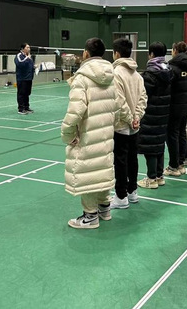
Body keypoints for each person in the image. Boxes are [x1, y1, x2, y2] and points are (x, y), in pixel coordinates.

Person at [61, 38, 117, 229]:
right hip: (106, 134)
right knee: (102, 170)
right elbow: (118, 106)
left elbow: (75, 112)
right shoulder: (112, 75)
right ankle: (104, 209)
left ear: (86, 53)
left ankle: (90, 216)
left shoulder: (82, 78)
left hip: (86, 135)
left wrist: (68, 135)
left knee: (88, 173)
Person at [110, 38, 147, 210]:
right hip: (134, 126)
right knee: (132, 158)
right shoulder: (137, 74)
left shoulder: (116, 73)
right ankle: (132, 191)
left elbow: (119, 101)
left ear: (116, 53)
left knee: (121, 161)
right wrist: (136, 117)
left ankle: (121, 196)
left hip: (121, 126)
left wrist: (131, 118)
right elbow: (143, 99)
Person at [137, 42, 172, 189]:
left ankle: (151, 178)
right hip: (164, 113)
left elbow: (144, 96)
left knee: (150, 146)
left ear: (151, 54)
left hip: (150, 114)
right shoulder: (168, 70)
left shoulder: (150, 75)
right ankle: (159, 176)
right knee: (159, 144)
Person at [164, 42, 187, 176]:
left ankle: (173, 166)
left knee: (172, 135)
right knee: (182, 133)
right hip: (186, 105)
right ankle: (181, 163)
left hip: (174, 106)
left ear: (175, 50)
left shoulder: (172, 68)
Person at [14, 43, 37, 114]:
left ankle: (26, 107)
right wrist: (27, 58)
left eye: (29, 47)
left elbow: (29, 66)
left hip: (29, 78)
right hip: (22, 78)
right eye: (27, 47)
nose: (29, 49)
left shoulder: (29, 56)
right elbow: (20, 64)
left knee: (27, 93)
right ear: (23, 49)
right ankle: (21, 109)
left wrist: (34, 67)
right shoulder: (19, 56)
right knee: (21, 93)